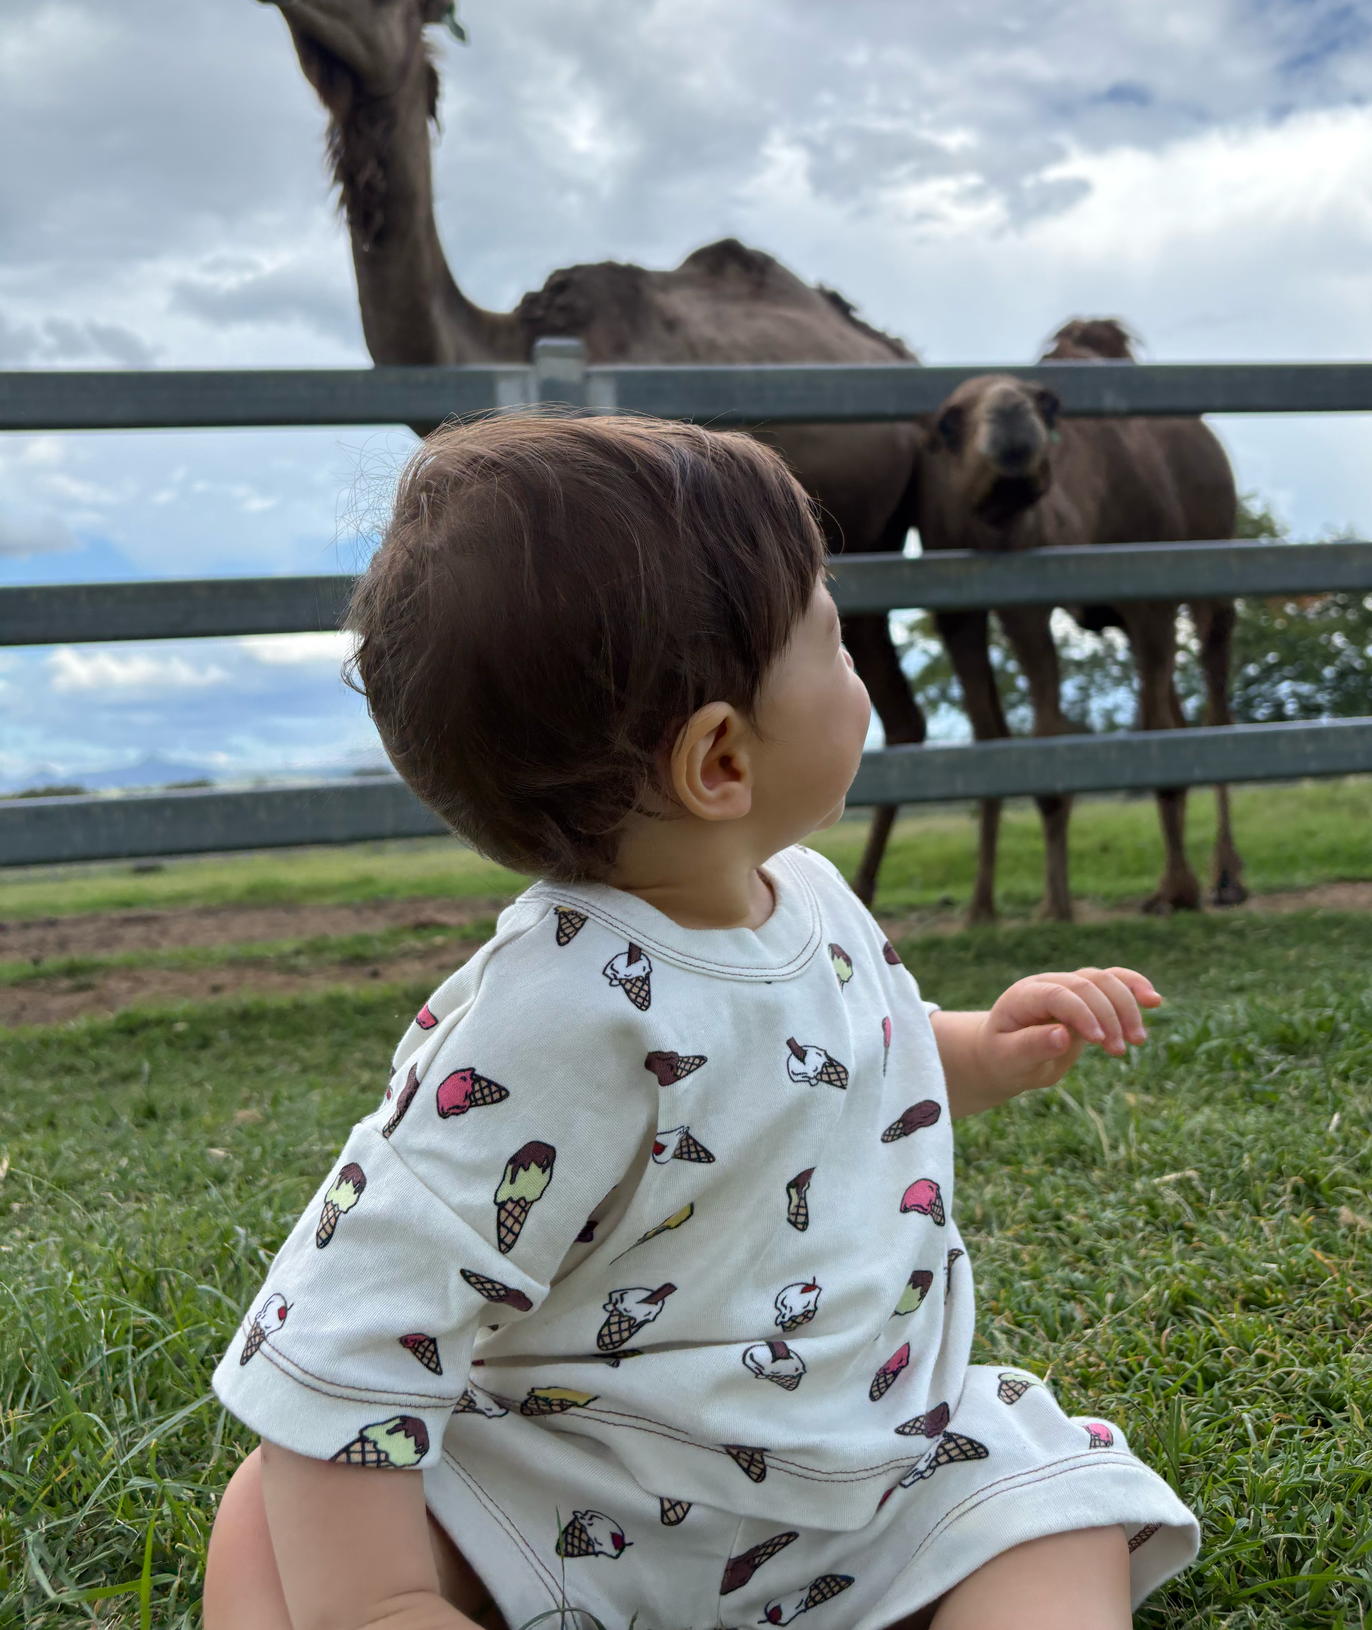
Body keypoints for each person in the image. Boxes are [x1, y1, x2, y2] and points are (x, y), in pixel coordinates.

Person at [203, 414, 1197, 1630]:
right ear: (720, 758)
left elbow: (839, 1063)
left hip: (876, 1465)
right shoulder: (546, 1015)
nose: (861, 671)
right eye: (833, 639)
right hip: (584, 1492)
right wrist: (384, 1599)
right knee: (272, 1515)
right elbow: (351, 1319)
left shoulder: (812, 899)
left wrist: (981, 1046)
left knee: (1056, 1513)